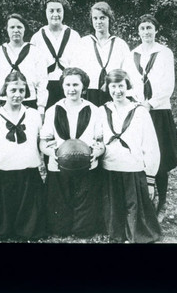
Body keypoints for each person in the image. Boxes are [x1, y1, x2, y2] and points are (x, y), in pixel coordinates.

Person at [124, 14, 177, 222]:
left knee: (161, 156)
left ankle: (163, 202)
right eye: (142, 28)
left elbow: (168, 85)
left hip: (158, 110)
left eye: (149, 28)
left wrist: (151, 103)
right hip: (139, 110)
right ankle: (145, 200)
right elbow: (128, 83)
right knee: (141, 154)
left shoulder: (165, 53)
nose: (146, 32)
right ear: (138, 32)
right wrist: (137, 102)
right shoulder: (133, 54)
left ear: (156, 30)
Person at [0, 71, 45, 240]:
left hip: (27, 177)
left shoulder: (34, 115)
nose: (17, 95)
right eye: (13, 90)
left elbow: (41, 146)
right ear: (5, 90)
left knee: (30, 230)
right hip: (0, 178)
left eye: (22, 90)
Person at [39, 67, 105, 237]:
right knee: (59, 226)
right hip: (59, 165)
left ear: (84, 87)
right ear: (62, 87)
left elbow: (101, 142)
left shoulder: (94, 110)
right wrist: (51, 153)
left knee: (85, 228)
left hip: (87, 165)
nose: (72, 89)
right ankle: (62, 225)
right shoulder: (52, 110)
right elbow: (43, 142)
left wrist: (96, 153)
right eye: (67, 84)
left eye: (76, 84)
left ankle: (83, 227)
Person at [99, 69, 161, 243]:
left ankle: (134, 234)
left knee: (133, 207)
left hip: (133, 169)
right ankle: (116, 232)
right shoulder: (102, 111)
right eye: (113, 86)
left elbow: (150, 146)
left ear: (128, 87)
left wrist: (150, 178)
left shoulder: (140, 112)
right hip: (110, 168)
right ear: (107, 88)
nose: (117, 90)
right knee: (114, 207)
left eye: (121, 86)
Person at [0, 13, 48, 117]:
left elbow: (42, 82)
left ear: (25, 29)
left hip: (28, 102)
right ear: (7, 29)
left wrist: (41, 108)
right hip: (2, 102)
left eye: (19, 27)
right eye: (12, 27)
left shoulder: (35, 52)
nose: (16, 30)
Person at [73, 2, 131, 106]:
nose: (98, 22)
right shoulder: (83, 43)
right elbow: (76, 71)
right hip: (90, 93)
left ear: (109, 19)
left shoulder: (120, 44)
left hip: (114, 93)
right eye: (95, 18)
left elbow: (127, 73)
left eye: (102, 18)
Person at [30, 0, 82, 109]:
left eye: (59, 11)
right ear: (45, 12)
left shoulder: (74, 36)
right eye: (51, 11)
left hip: (68, 87)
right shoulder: (37, 38)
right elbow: (33, 69)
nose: (55, 14)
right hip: (45, 88)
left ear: (64, 12)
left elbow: (79, 64)